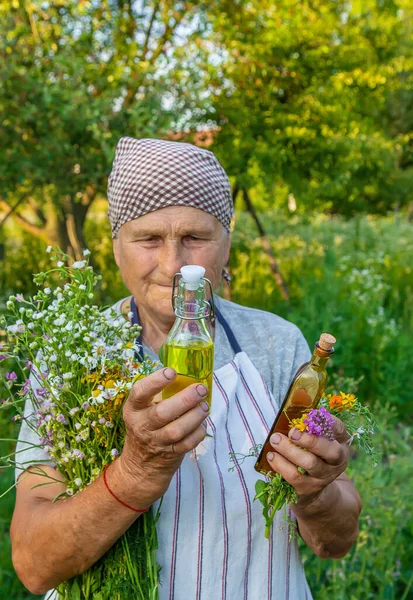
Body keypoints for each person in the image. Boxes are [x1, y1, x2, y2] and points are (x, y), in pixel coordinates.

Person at [11, 137, 362, 599]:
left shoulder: (274, 344)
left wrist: (316, 493)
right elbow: (35, 566)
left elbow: (334, 542)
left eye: (195, 238)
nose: (175, 265)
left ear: (227, 246)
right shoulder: (70, 354)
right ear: (117, 247)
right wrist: (136, 473)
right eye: (149, 239)